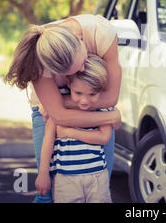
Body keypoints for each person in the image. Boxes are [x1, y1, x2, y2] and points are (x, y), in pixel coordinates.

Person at [4, 14, 122, 203]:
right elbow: (58, 117)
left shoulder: (101, 33)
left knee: (100, 186)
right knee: (47, 194)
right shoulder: (39, 57)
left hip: (88, 106)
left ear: (79, 39)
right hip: (48, 115)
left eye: (83, 62)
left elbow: (110, 97)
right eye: (71, 74)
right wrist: (111, 117)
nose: (82, 71)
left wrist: (57, 103)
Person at [35, 54, 113, 203]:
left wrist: (69, 132)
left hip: (97, 176)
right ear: (69, 84)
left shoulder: (102, 108)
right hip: (66, 178)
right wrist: (43, 173)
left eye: (92, 94)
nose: (84, 100)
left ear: (101, 90)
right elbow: (48, 138)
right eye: (78, 93)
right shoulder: (60, 105)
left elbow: (104, 137)